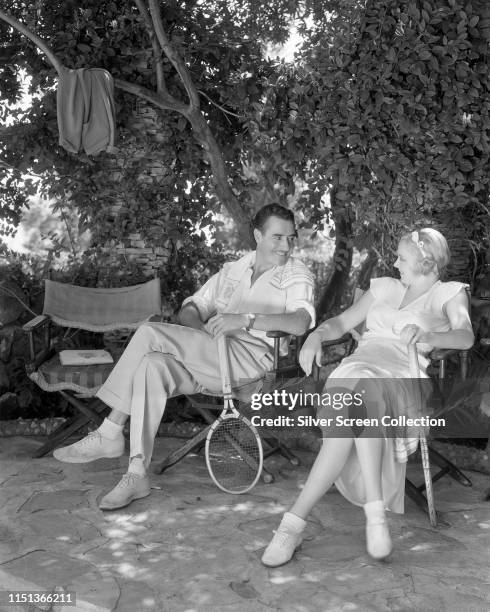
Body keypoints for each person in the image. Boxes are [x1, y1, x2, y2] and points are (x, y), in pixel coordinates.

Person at [53, 204, 316, 510]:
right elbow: (191, 308)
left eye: (291, 237)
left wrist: (246, 319)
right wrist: (201, 332)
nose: (286, 245)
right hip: (210, 356)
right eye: (277, 237)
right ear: (258, 235)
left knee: (150, 333)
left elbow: (299, 322)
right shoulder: (233, 270)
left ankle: (110, 430)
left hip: (251, 363)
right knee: (152, 366)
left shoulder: (298, 273)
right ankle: (136, 474)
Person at [261, 228, 474, 567]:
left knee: (360, 396)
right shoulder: (385, 287)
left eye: (402, 258)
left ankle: (292, 524)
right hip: (360, 364)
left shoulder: (447, 294)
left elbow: (464, 337)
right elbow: (342, 322)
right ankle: (374, 516)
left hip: (402, 374)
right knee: (356, 388)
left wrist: (429, 333)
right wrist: (316, 336)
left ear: (426, 261)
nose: (395, 263)